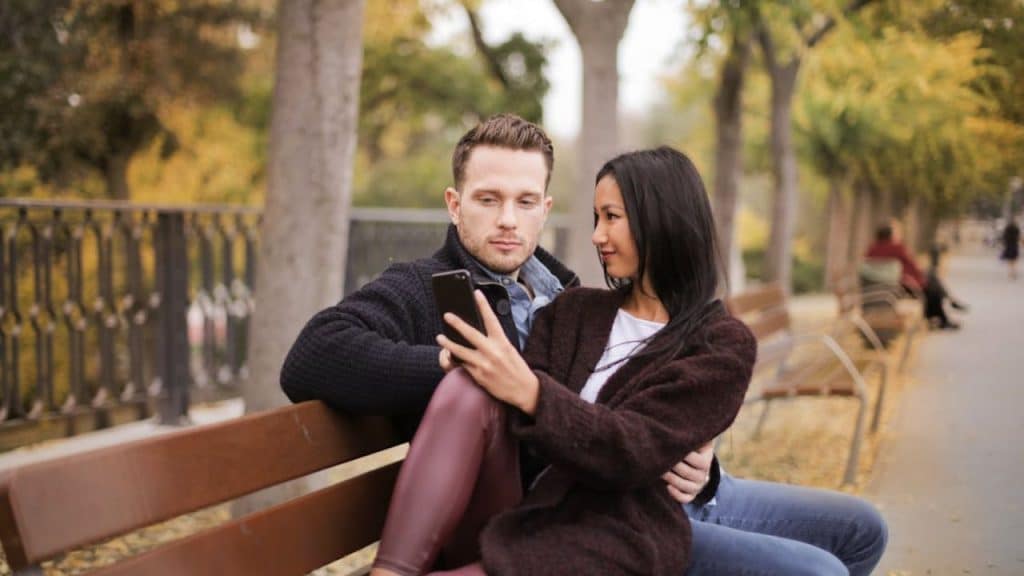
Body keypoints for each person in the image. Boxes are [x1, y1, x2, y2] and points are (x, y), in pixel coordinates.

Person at [281, 114, 887, 575]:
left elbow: (640, 403)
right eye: (488, 200)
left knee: (862, 530)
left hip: (660, 487)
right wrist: (466, 365)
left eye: (524, 202)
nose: (507, 221)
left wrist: (699, 464)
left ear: (545, 208)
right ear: (455, 203)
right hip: (577, 507)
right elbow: (314, 355)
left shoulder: (566, 291)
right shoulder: (424, 289)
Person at [369, 146, 755, 575]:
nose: (596, 236)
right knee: (468, 384)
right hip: (524, 506)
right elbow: (521, 431)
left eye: (612, 217)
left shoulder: (722, 345)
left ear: (660, 219)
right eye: (596, 218)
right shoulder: (574, 311)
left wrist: (533, 393)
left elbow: (634, 449)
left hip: (609, 535)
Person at [864, 220, 926, 295]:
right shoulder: (897, 248)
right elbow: (912, 266)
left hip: (872, 289)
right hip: (897, 288)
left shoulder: (871, 249)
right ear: (891, 235)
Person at [923, 245, 967, 330]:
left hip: (912, 280)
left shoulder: (897, 247)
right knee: (933, 284)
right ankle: (951, 302)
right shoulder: (897, 247)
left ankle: (950, 302)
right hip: (911, 281)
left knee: (933, 281)